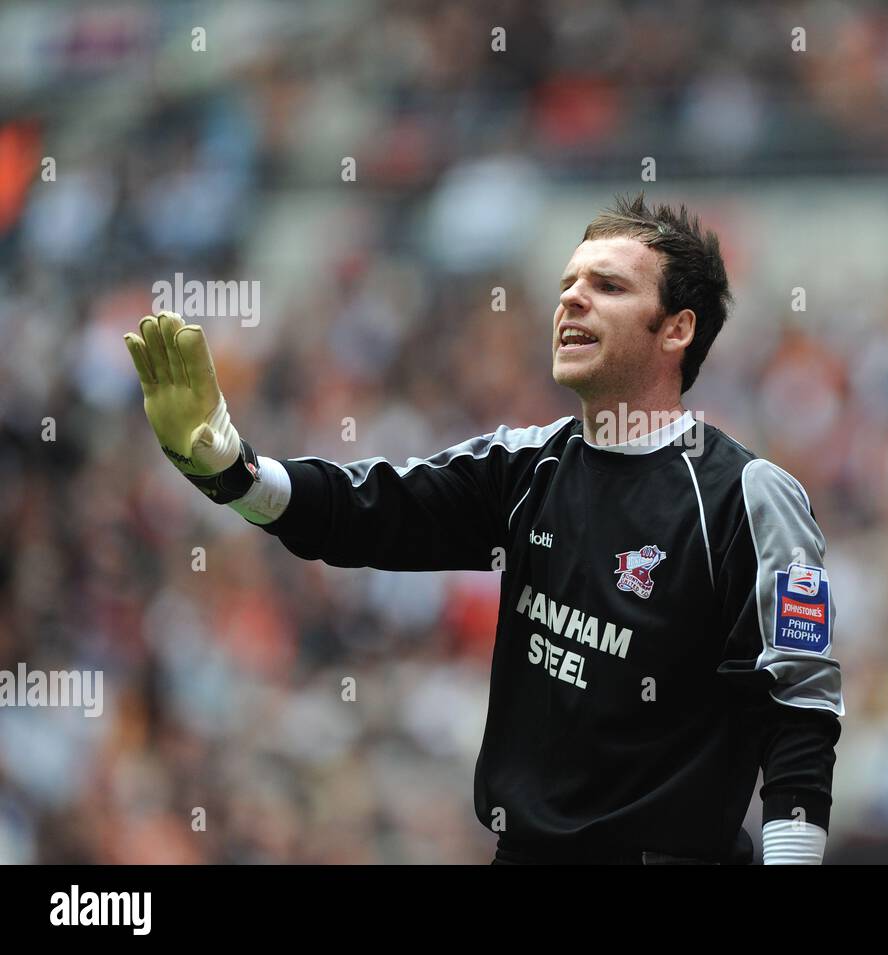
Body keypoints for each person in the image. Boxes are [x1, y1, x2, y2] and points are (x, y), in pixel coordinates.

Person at [123, 192, 844, 864]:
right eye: (568, 282)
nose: (571, 298)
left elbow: (798, 711)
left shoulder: (748, 496)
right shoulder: (525, 466)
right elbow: (363, 512)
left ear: (677, 329)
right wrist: (235, 471)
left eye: (609, 286)